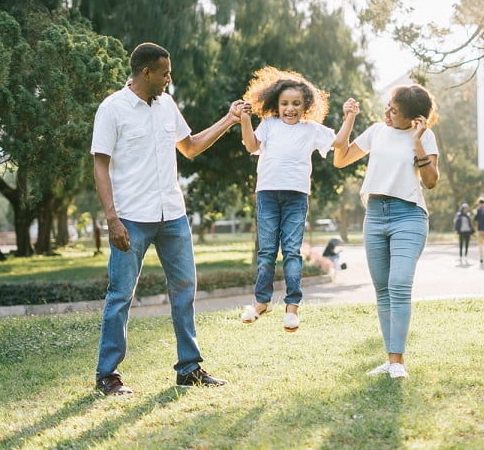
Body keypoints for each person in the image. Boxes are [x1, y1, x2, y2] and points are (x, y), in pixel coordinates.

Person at [91, 42, 245, 396]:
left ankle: (189, 369)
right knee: (120, 296)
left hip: (172, 216)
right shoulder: (113, 109)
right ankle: (107, 375)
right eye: (165, 72)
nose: (169, 78)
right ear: (146, 72)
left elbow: (189, 146)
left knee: (184, 292)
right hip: (131, 218)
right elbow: (100, 164)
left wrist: (229, 119)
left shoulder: (167, 105)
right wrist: (112, 219)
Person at [333, 84, 439, 380]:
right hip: (375, 215)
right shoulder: (377, 131)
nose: (388, 113)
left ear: (414, 118)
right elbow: (340, 160)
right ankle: (391, 360)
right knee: (383, 291)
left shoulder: (425, 136)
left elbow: (431, 181)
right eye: (388, 107)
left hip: (409, 215)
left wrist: (417, 141)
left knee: (399, 284)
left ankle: (397, 362)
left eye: (395, 111)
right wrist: (349, 119)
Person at [238, 66, 343, 332]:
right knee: (266, 252)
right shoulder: (269, 124)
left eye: (296, 103)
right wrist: (245, 119)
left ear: (306, 105)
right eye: (284, 103)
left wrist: (350, 116)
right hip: (267, 195)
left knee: (292, 252)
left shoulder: (311, 129)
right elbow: (252, 146)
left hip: (296, 197)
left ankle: (292, 307)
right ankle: (261, 302)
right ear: (276, 103)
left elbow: (340, 142)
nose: (290, 108)